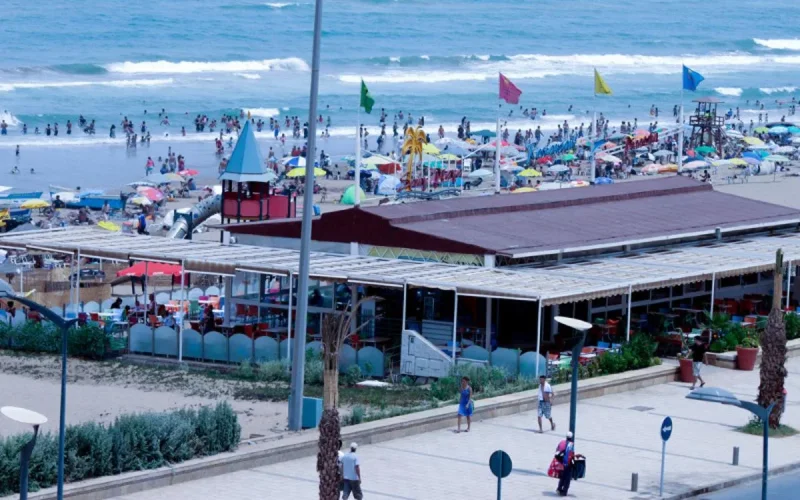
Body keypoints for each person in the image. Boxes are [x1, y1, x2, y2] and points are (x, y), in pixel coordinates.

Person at [556, 432, 575, 496]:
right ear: (571, 437)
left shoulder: (562, 442)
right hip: (567, 463)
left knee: (562, 476)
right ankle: (564, 491)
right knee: (567, 478)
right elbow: (571, 454)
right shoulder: (571, 444)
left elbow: (557, 450)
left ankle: (559, 488)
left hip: (560, 462)